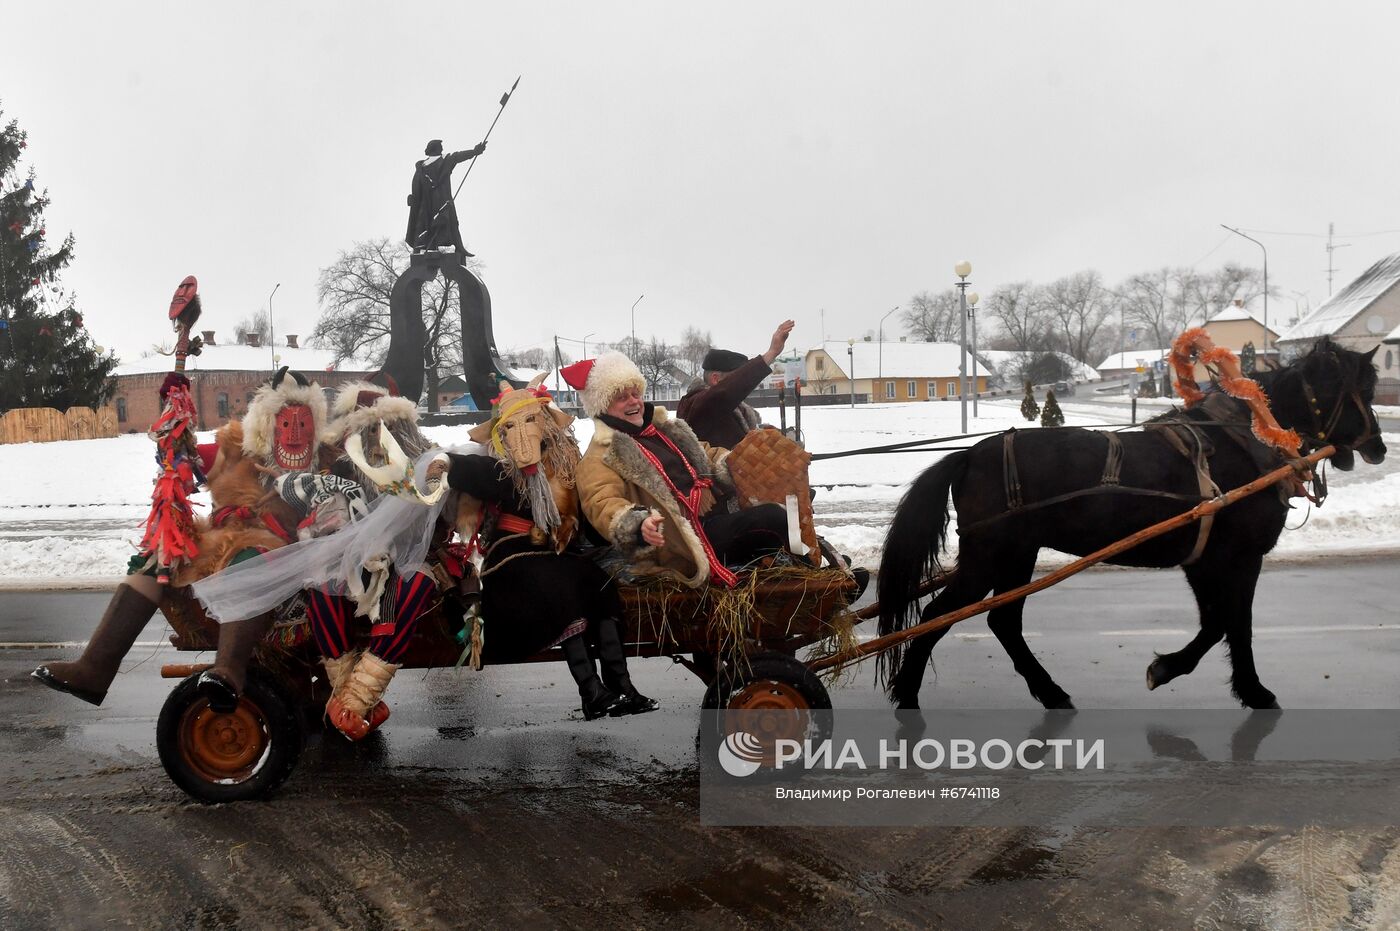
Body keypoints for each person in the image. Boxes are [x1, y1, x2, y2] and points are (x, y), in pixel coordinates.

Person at [33, 367, 327, 709]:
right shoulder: (233, 448)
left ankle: (229, 671)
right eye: (285, 425)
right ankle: (95, 668)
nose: (293, 437)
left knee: (248, 560)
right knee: (158, 554)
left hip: (280, 555)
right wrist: (173, 413)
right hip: (218, 540)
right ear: (266, 423)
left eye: (302, 426)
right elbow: (181, 459)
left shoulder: (325, 460)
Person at [427, 376, 657, 718]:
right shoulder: (506, 470)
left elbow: (586, 517)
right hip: (514, 555)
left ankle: (620, 684)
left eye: (533, 420)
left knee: (598, 581)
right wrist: (450, 464)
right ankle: (591, 690)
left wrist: (628, 527)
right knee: (560, 582)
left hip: (557, 554)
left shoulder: (567, 467)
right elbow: (476, 471)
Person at [565, 352, 789, 589]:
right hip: (681, 540)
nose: (634, 402)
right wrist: (639, 525)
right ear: (602, 406)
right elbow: (602, 502)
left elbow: (705, 453)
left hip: (716, 512)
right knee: (773, 517)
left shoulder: (664, 429)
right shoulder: (600, 455)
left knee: (786, 506)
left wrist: (734, 461)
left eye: (635, 394)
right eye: (622, 397)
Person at [676, 320, 794, 448]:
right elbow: (725, 392)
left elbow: (746, 440)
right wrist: (771, 353)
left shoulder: (735, 408)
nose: (743, 382)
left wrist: (779, 440)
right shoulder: (699, 404)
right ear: (716, 379)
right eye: (737, 376)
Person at [405, 138, 487, 255]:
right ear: (435, 149)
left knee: (452, 222)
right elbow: (417, 184)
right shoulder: (421, 167)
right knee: (422, 224)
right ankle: (417, 249)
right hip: (426, 202)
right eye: (440, 147)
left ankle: (459, 247)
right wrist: (412, 197)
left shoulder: (446, 160)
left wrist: (475, 151)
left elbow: (459, 156)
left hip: (443, 199)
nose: (442, 149)